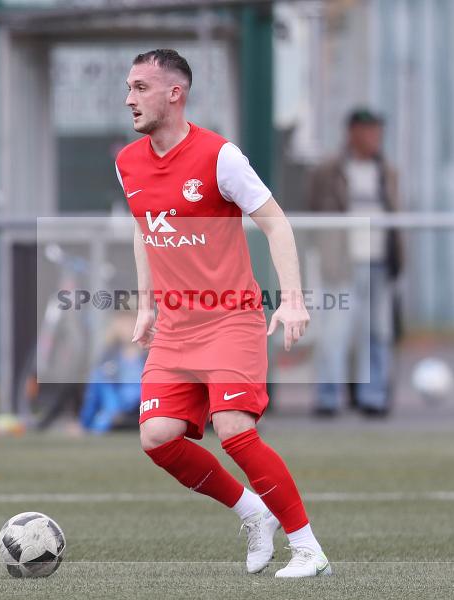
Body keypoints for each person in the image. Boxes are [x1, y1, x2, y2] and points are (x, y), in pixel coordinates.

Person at [115, 49, 330, 578]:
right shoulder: (127, 163)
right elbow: (147, 233)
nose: (129, 98)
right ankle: (252, 511)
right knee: (157, 437)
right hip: (176, 327)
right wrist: (146, 306)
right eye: (128, 87)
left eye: (141, 87)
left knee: (234, 428)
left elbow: (276, 224)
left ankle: (308, 549)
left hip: (230, 318)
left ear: (175, 94)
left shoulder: (220, 157)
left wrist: (294, 298)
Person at [308, 109, 403, 417]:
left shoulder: (387, 171)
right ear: (352, 133)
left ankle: (373, 396)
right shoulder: (329, 171)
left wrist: (398, 257)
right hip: (342, 261)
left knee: (377, 331)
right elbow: (312, 214)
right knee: (335, 331)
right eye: (368, 131)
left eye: (377, 132)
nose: (374, 138)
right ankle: (329, 396)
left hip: (378, 261)